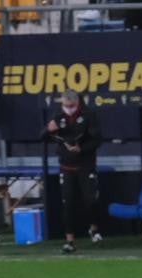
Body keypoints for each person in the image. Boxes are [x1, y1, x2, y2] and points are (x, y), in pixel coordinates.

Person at [44, 90, 104, 254]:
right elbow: (43, 135)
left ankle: (94, 228)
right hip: (66, 166)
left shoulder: (89, 115)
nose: (68, 108)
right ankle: (70, 241)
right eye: (66, 105)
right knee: (68, 204)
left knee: (90, 200)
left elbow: (97, 139)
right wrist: (48, 130)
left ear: (77, 103)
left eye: (71, 106)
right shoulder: (58, 116)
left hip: (85, 165)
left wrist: (81, 148)